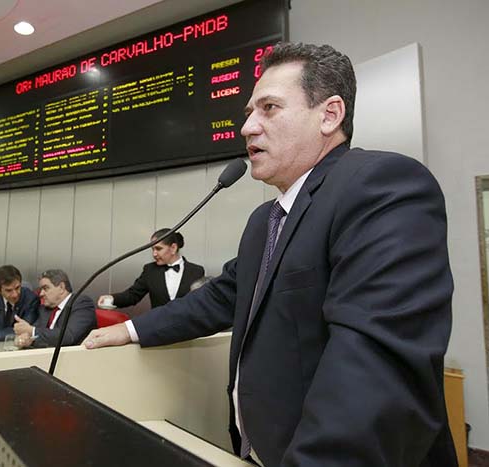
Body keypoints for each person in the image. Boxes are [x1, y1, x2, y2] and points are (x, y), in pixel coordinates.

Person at [83, 42, 456, 467]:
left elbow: (373, 374)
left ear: (330, 115)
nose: (247, 128)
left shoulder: (381, 185)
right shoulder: (266, 219)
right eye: (248, 112)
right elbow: (224, 295)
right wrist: (133, 330)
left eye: (270, 108)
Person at [97, 229, 204, 310]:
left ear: (173, 248)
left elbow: (201, 304)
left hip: (188, 330)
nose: (154, 254)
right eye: (153, 249)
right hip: (158, 329)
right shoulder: (150, 270)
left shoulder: (197, 271)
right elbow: (132, 295)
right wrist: (112, 299)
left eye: (158, 249)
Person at [13, 269, 96, 349]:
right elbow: (39, 334)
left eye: (45, 288)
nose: (41, 294)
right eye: (41, 289)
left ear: (61, 287)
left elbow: (69, 336)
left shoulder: (82, 303)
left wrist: (32, 331)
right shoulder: (45, 309)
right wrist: (26, 338)